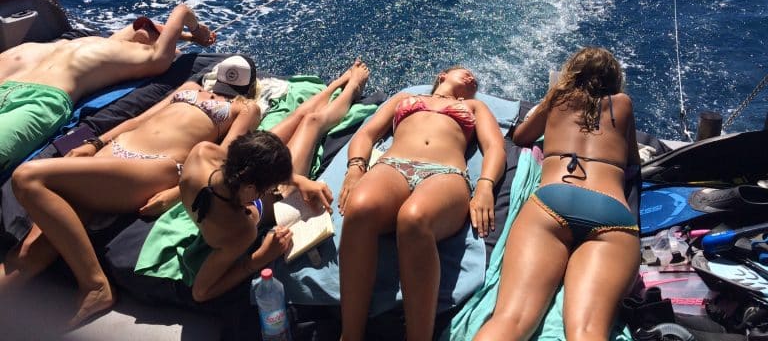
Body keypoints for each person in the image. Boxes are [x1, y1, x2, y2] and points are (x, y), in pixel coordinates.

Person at [3, 54, 257, 329]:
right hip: (113, 154)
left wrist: (177, 190)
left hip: (155, 165)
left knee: (28, 178)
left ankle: (95, 284)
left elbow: (223, 157)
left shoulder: (245, 108)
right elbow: (139, 119)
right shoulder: (190, 89)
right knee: (28, 251)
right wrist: (95, 142)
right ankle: (93, 289)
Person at [474, 47, 641, 341]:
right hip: (610, 211)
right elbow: (632, 161)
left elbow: (522, 136)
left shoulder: (557, 97)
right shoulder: (623, 104)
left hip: (554, 199)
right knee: (588, 331)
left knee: (512, 320)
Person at [179, 59, 370, 303]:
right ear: (253, 189)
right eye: (269, 186)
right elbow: (201, 292)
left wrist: (298, 180)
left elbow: (228, 168)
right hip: (250, 209)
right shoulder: (239, 230)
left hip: (237, 182)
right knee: (311, 123)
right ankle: (352, 85)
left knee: (300, 114)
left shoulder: (202, 154)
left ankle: (338, 83)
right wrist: (261, 257)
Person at [337, 66, 506, 341]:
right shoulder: (404, 98)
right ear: (441, 75)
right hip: (393, 165)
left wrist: (485, 184)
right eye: (464, 73)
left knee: (414, 219)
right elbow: (367, 134)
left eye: (474, 79)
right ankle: (350, 335)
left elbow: (495, 147)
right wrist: (355, 168)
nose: (472, 78)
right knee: (359, 208)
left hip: (444, 172)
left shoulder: (476, 105)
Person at [0, 3, 216, 173]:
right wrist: (197, 32)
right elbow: (181, 11)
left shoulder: (78, 46)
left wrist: (188, 35)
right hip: (33, 94)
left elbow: (148, 26)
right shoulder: (121, 51)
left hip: (21, 88)